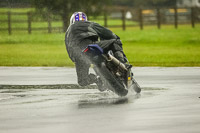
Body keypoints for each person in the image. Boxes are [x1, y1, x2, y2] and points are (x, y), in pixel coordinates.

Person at [65, 12, 131, 91]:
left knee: (82, 81)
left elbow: (70, 52)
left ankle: (97, 80)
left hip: (80, 56)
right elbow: (109, 34)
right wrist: (115, 38)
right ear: (85, 19)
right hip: (92, 46)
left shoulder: (67, 33)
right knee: (114, 42)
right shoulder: (89, 24)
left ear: (71, 21)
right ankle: (123, 62)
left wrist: (78, 60)